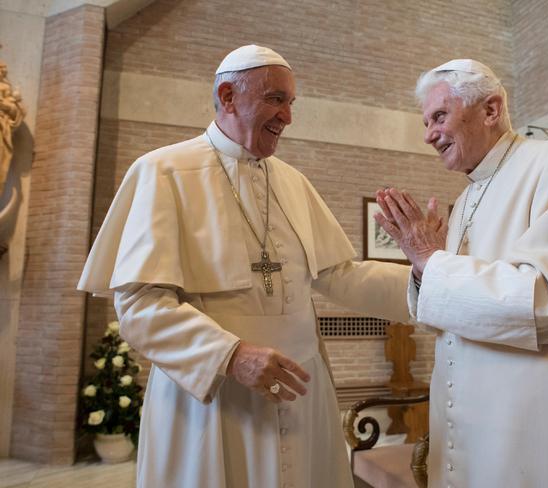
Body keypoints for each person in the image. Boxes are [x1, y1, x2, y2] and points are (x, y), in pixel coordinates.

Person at [78, 45, 410, 488]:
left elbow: (339, 274)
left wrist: (430, 277)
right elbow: (140, 307)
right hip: (215, 399)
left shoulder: (293, 182)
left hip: (301, 392)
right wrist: (230, 356)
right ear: (228, 95)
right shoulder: (162, 171)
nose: (287, 117)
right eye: (276, 99)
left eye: (291, 103)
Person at [374, 58, 548, 488]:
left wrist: (431, 259)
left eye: (439, 116)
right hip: (480, 426)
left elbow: (544, 300)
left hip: (544, 430)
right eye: (426, 121)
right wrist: (423, 266)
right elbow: (456, 312)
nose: (428, 134)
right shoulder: (465, 199)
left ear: (490, 109)